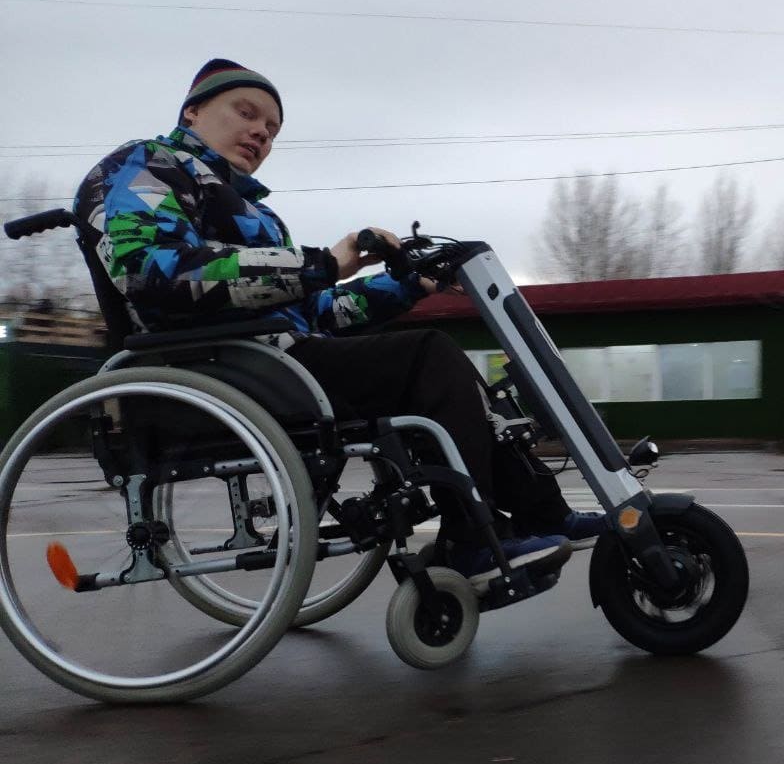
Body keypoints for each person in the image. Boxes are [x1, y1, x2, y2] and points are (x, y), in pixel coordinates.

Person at [73, 59, 604, 581]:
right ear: (192, 111)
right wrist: (320, 264)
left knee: (441, 367)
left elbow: (313, 314)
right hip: (211, 369)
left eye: (272, 129)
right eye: (246, 113)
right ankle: (471, 543)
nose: (260, 133)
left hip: (268, 358)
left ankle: (540, 512)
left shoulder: (254, 211)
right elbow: (151, 272)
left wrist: (407, 285)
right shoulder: (146, 165)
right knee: (427, 357)